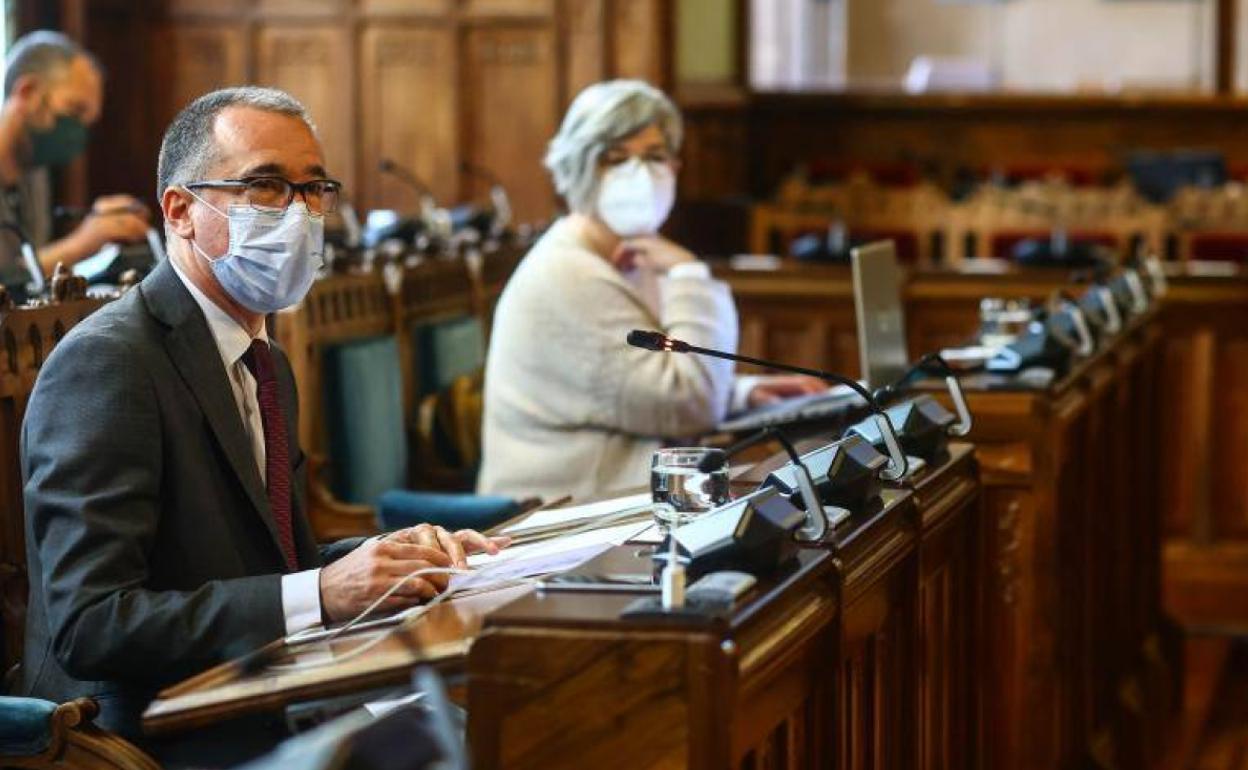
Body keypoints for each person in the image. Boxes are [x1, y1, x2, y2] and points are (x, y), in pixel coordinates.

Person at [19, 86, 505, 763]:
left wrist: (394, 560)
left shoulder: (265, 357)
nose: (300, 213)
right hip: (147, 729)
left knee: (491, 724)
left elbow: (281, 567)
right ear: (180, 211)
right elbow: (92, 623)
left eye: (314, 189)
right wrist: (324, 591)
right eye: (267, 186)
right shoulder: (109, 364)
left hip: (267, 688)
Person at [478, 79, 825, 501]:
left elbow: (646, 389)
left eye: (655, 156)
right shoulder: (567, 274)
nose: (640, 174)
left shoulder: (633, 255)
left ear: (675, 168)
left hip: (622, 497)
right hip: (560, 516)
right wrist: (691, 275)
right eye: (616, 158)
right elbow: (688, 403)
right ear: (580, 168)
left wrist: (740, 393)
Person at [0, 31, 150, 283]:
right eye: (74, 110)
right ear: (26, 92)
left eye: (87, 121)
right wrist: (85, 241)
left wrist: (99, 231)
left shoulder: (35, 172)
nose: (77, 131)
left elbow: (28, 267)